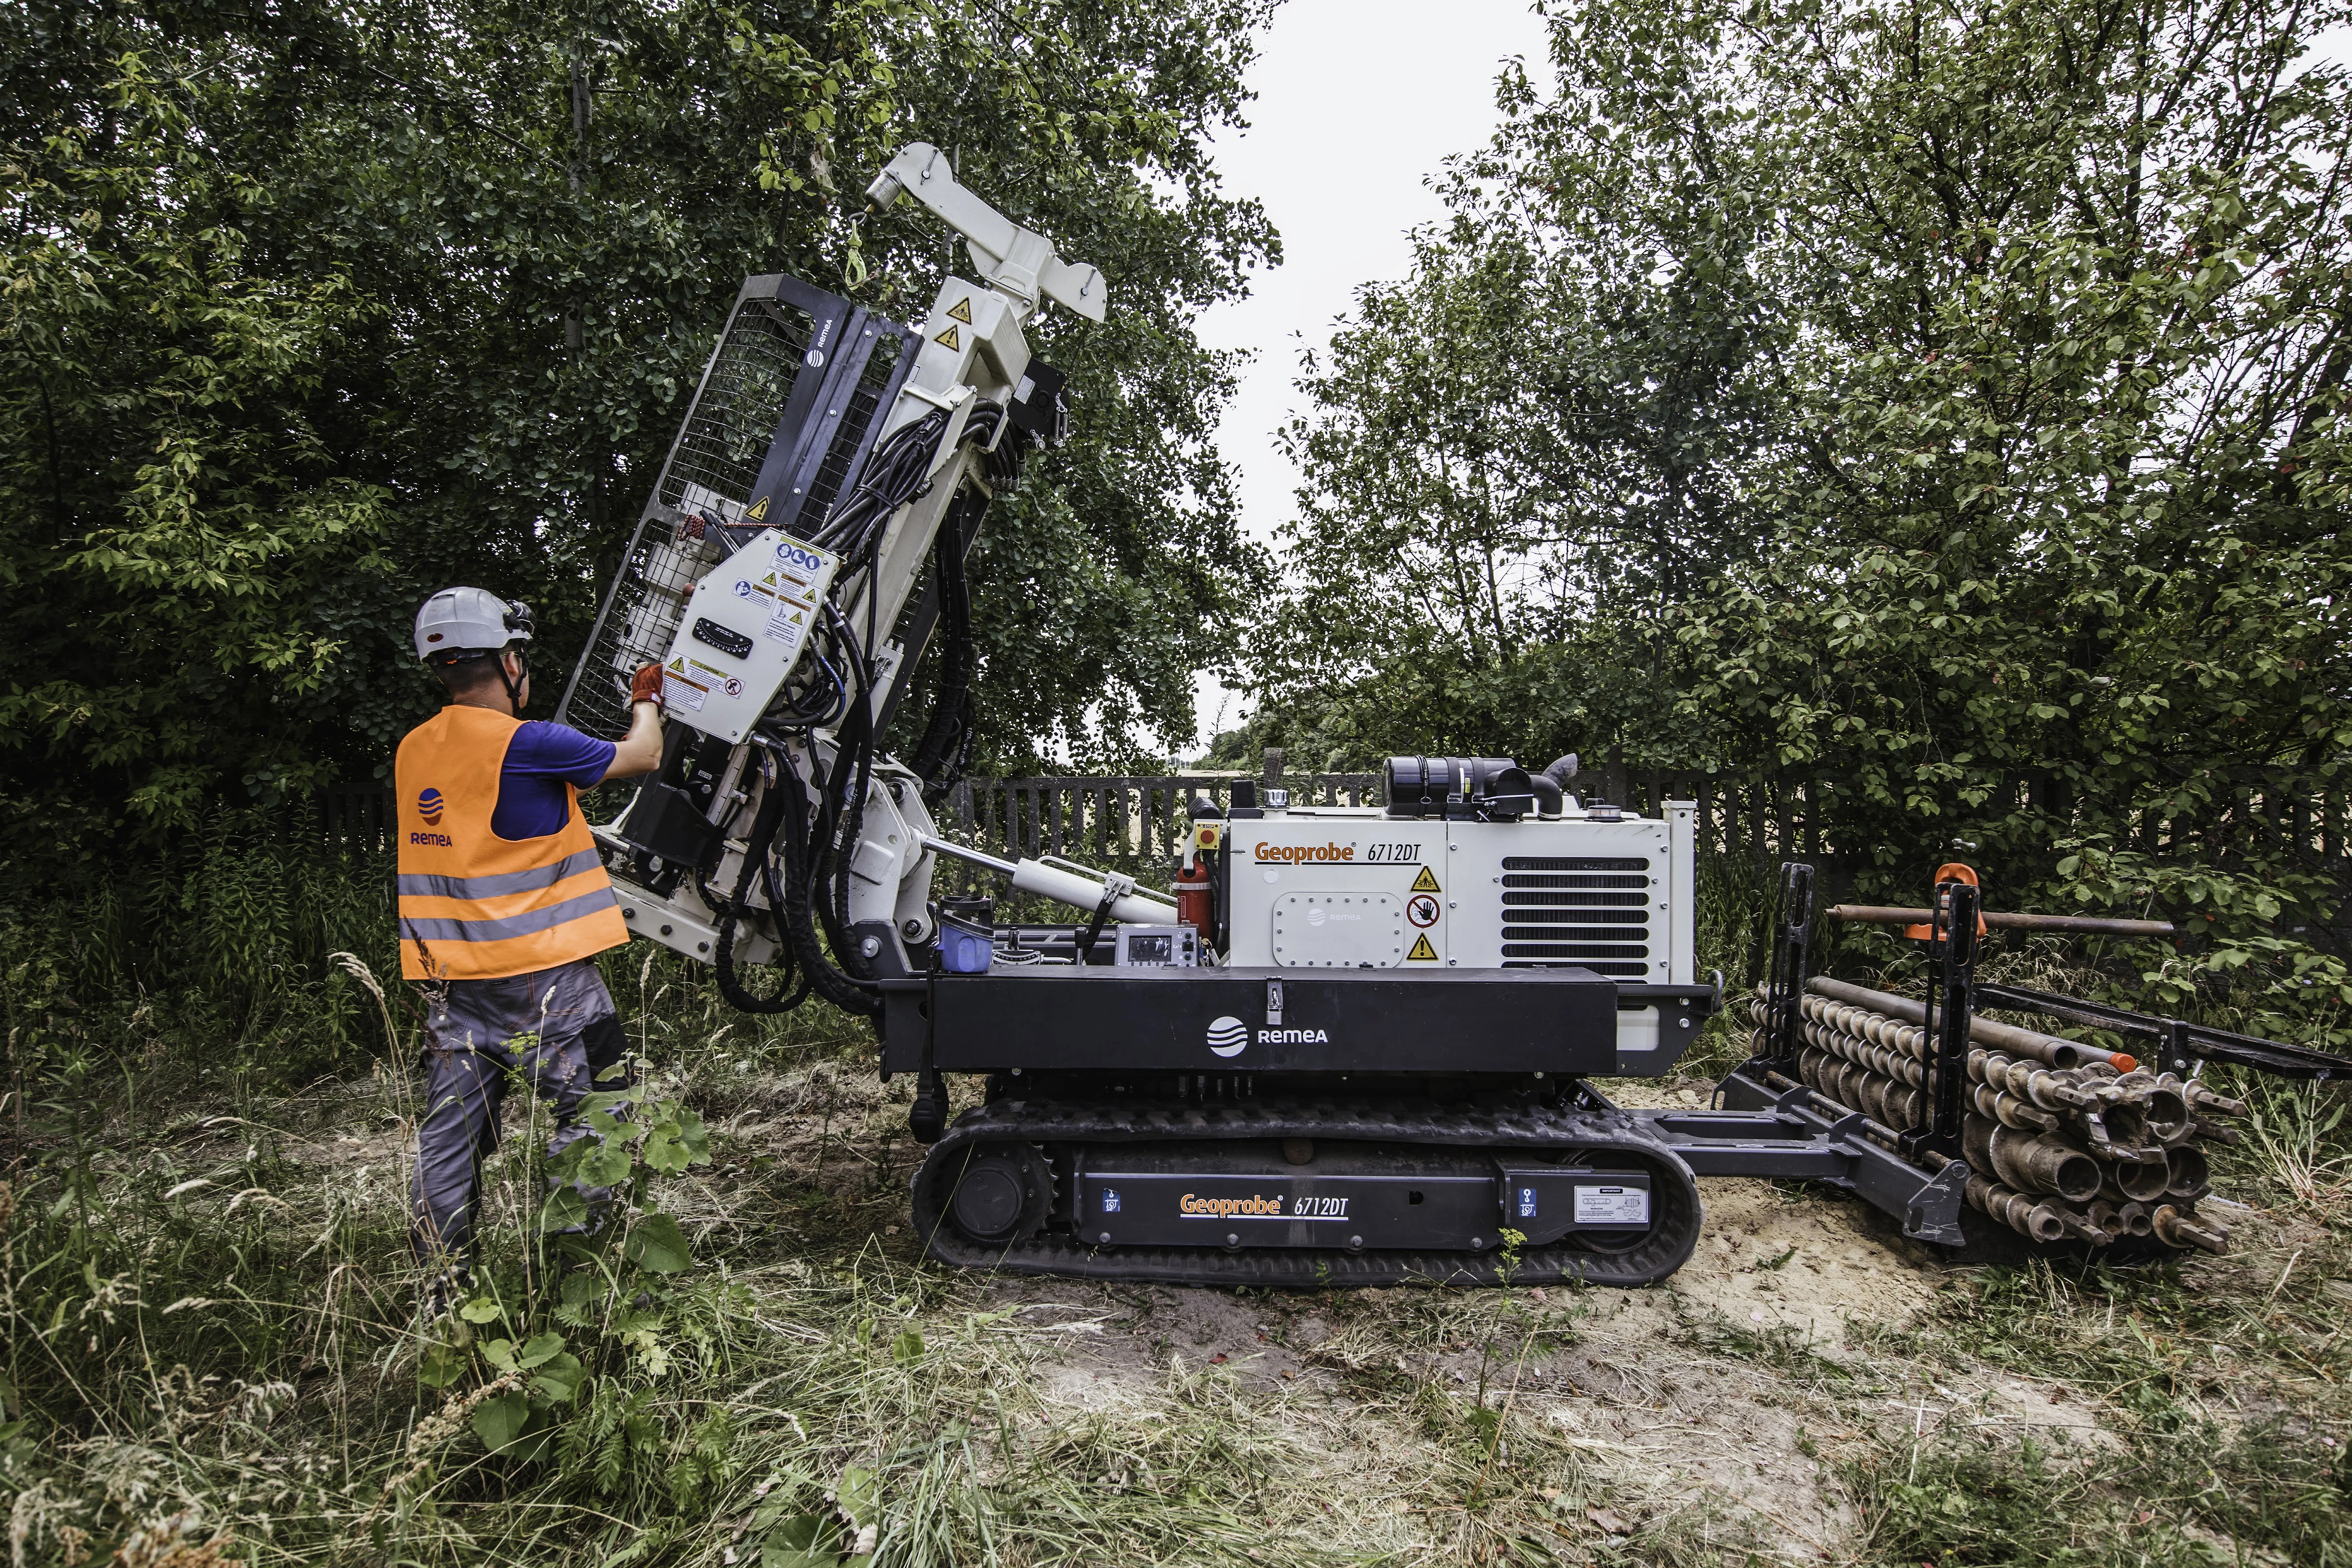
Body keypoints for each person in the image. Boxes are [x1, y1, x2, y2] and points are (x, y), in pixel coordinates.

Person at [394, 586, 666, 1309]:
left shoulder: (414, 750)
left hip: (453, 988)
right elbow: (643, 756)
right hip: (545, 985)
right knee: (600, 1112)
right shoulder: (529, 743)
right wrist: (648, 696)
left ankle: (441, 1292)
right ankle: (575, 1279)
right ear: (509, 661)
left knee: (449, 1141)